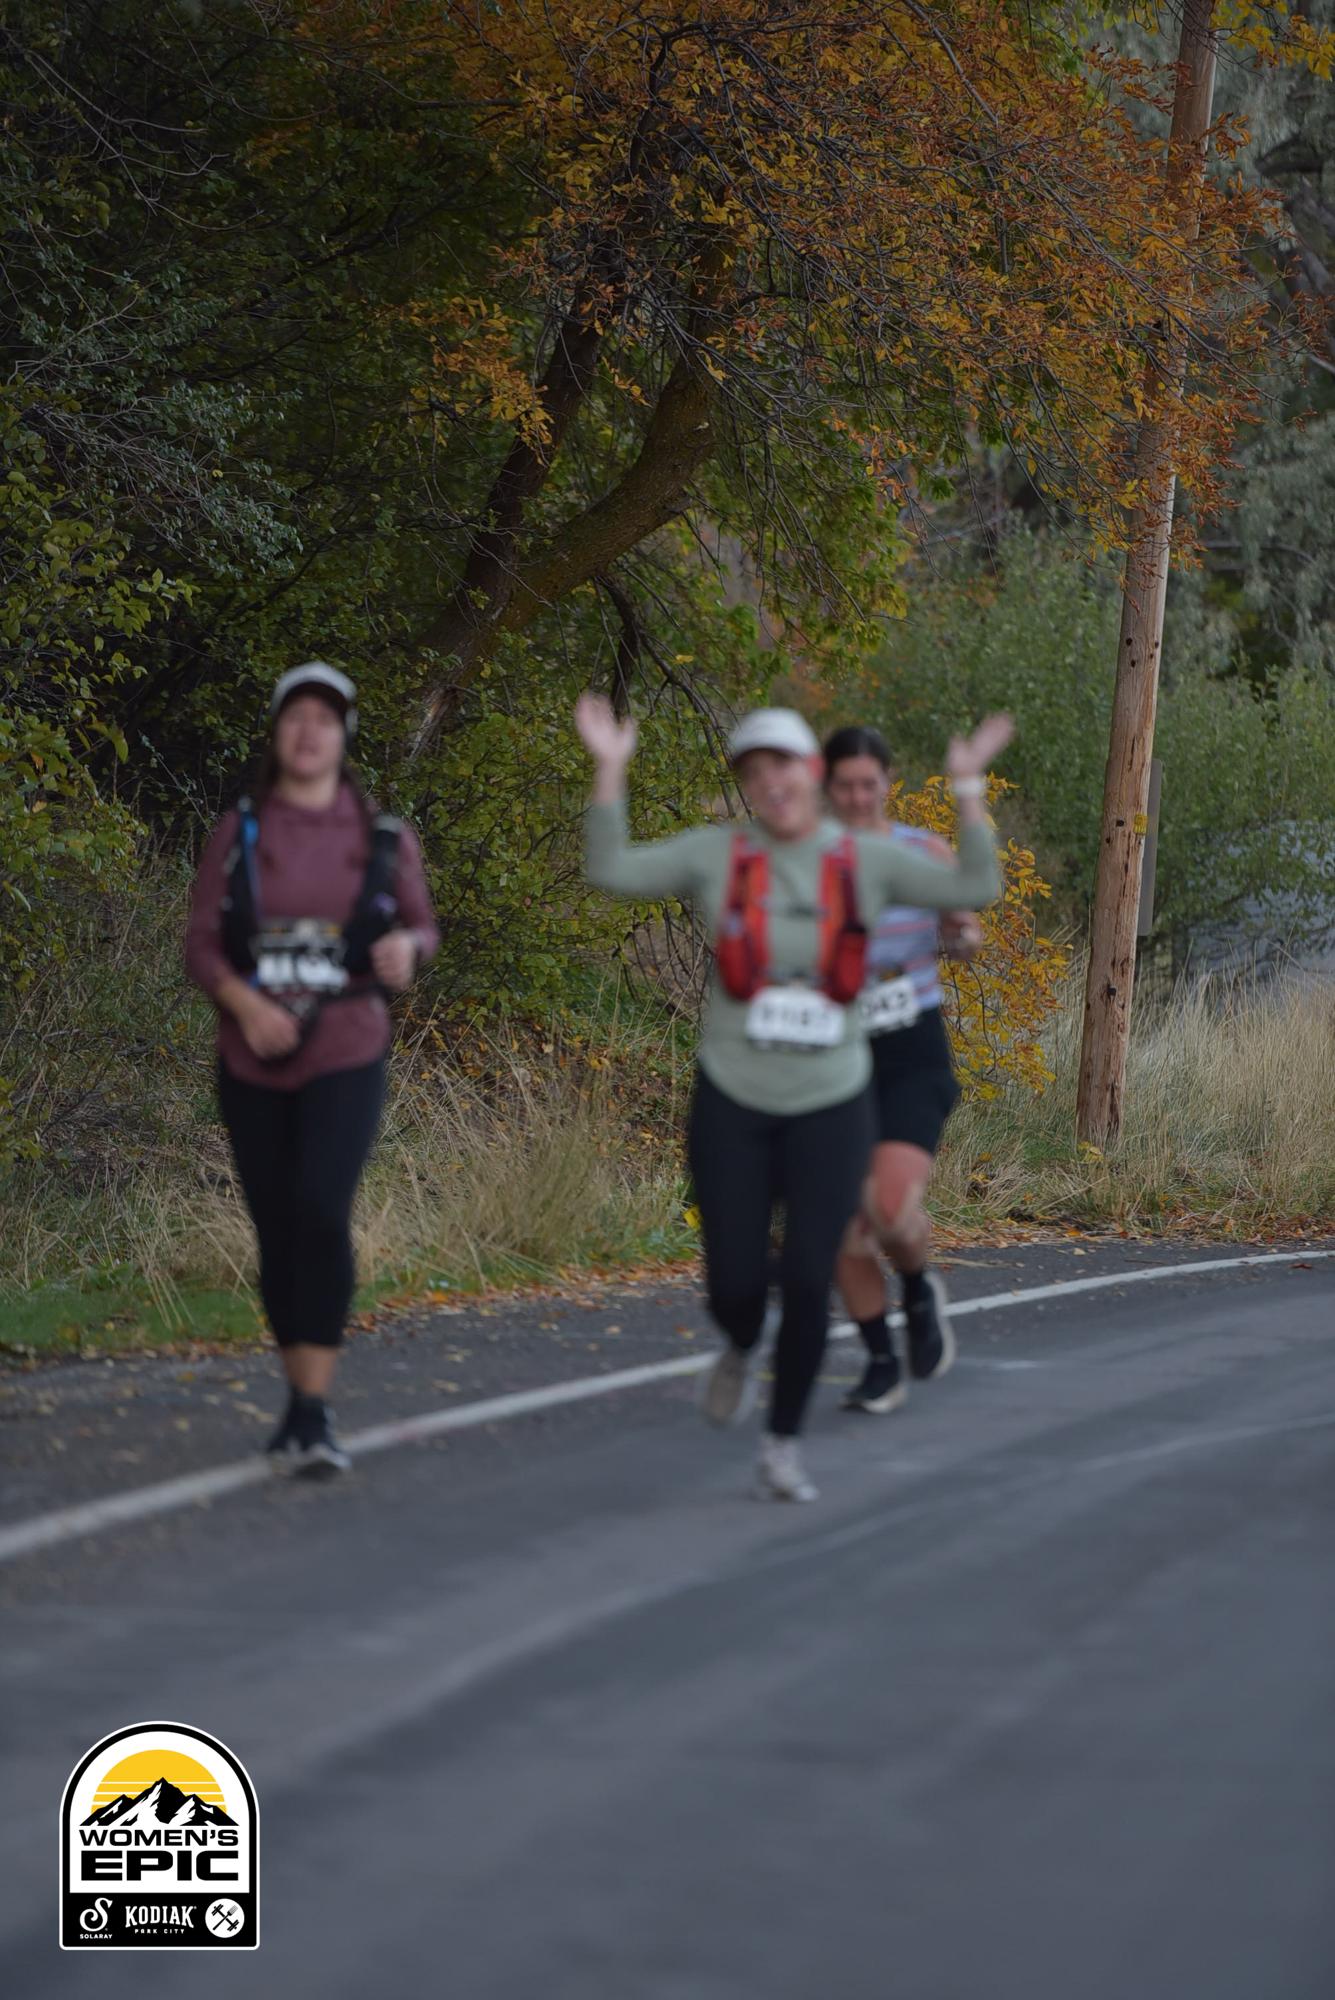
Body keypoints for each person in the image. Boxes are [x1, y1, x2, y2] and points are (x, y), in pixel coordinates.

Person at [577, 694, 1010, 1502]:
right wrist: (608, 768)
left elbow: (977, 885)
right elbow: (610, 870)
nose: (770, 781)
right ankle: (740, 1342)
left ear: (809, 771)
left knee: (813, 1269)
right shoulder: (715, 853)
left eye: (782, 764)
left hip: (833, 1097)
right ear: (746, 786)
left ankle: (781, 1446)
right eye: (753, 771)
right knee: (734, 1284)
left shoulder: (863, 858)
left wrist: (966, 788)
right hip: (734, 1096)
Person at [185, 662, 439, 1476]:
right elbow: (200, 945)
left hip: (346, 1049)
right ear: (276, 733)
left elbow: (422, 928)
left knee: (323, 1211)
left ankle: (313, 1408)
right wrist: (244, 1004)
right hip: (251, 1056)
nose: (308, 732)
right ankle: (296, 1398)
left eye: (324, 720)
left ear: (343, 737)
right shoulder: (239, 832)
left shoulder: (384, 837)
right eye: (296, 716)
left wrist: (407, 950)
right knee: (277, 1224)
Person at [824, 724, 982, 1415]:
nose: (858, 798)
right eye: (845, 786)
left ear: (887, 784)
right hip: (832, 1056)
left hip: (910, 1051)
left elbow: (966, 932)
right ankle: (880, 1360)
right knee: (838, 1221)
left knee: (887, 1211)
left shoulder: (923, 851)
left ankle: (917, 1288)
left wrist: (960, 935)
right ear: (826, 787)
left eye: (869, 784)